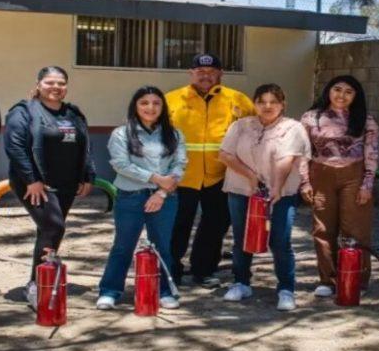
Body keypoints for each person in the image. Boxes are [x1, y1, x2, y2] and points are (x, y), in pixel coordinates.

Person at [4, 66, 96, 307]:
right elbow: (15, 148)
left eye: (61, 83)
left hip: (66, 184)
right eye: (49, 82)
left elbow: (84, 146)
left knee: (48, 230)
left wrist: (88, 176)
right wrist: (31, 180)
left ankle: (44, 277)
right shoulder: (23, 111)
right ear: (38, 84)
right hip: (36, 184)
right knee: (54, 226)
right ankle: (36, 284)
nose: (56, 87)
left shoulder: (73, 113)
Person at [218, 84, 310, 311]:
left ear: (282, 104)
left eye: (274, 102)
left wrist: (275, 189)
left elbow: (286, 160)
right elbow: (225, 154)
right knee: (242, 238)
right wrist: (250, 177)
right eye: (262, 101)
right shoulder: (241, 125)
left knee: (280, 240)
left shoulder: (293, 128)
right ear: (255, 103)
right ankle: (241, 282)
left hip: (281, 193)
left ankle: (286, 289)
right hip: (242, 190)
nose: (267, 106)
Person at [166, 53, 254, 288]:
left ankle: (204, 270)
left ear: (221, 73)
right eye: (200, 71)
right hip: (182, 176)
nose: (206, 75)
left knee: (215, 224)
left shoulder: (238, 100)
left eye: (212, 71)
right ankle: (171, 269)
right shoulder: (171, 100)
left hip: (222, 176)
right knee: (177, 224)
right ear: (191, 73)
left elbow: (256, 132)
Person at [96, 86, 187, 310]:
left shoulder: (174, 134)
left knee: (163, 246)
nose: (150, 107)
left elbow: (180, 165)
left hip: (165, 199)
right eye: (144, 103)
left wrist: (161, 192)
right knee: (123, 245)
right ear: (135, 107)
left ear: (163, 107)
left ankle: (164, 291)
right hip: (130, 197)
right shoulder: (121, 133)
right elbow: (121, 165)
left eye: (156, 103)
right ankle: (110, 291)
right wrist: (155, 178)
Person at [299, 75, 378, 298]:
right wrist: (304, 182)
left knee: (355, 229)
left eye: (348, 92)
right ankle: (328, 279)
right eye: (337, 89)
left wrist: (367, 185)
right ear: (328, 91)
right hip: (320, 175)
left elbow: (372, 154)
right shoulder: (310, 117)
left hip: (354, 175)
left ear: (356, 97)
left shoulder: (365, 120)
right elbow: (302, 153)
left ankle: (357, 278)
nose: (341, 95)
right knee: (323, 229)